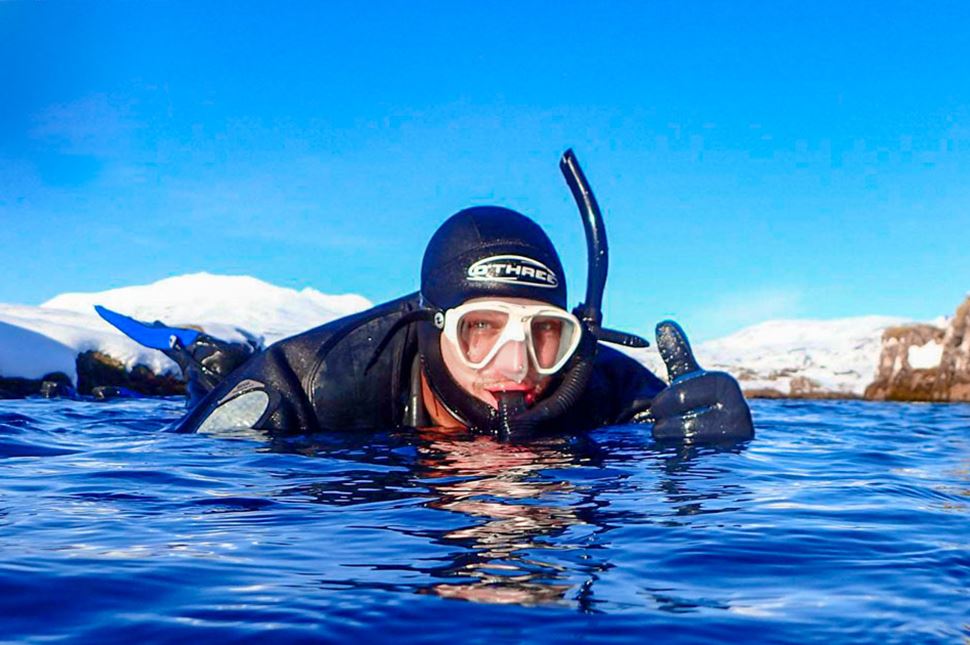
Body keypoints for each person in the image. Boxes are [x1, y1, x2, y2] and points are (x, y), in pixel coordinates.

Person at [170, 152, 753, 442]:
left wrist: (708, 448)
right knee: (212, 380)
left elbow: (679, 424)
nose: (516, 367)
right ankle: (206, 362)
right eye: (481, 328)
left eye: (546, 332)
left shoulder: (599, 386)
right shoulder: (307, 384)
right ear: (431, 325)